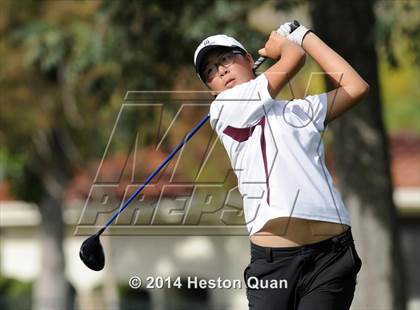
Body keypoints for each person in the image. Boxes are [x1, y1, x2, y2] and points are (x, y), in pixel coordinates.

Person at [193, 21, 369, 310]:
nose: (221, 70)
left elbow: (355, 86)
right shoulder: (223, 110)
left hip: (332, 257)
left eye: (225, 59)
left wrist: (304, 35)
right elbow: (294, 59)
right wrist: (286, 47)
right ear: (212, 90)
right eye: (210, 71)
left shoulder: (299, 110)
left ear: (250, 60)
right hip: (274, 266)